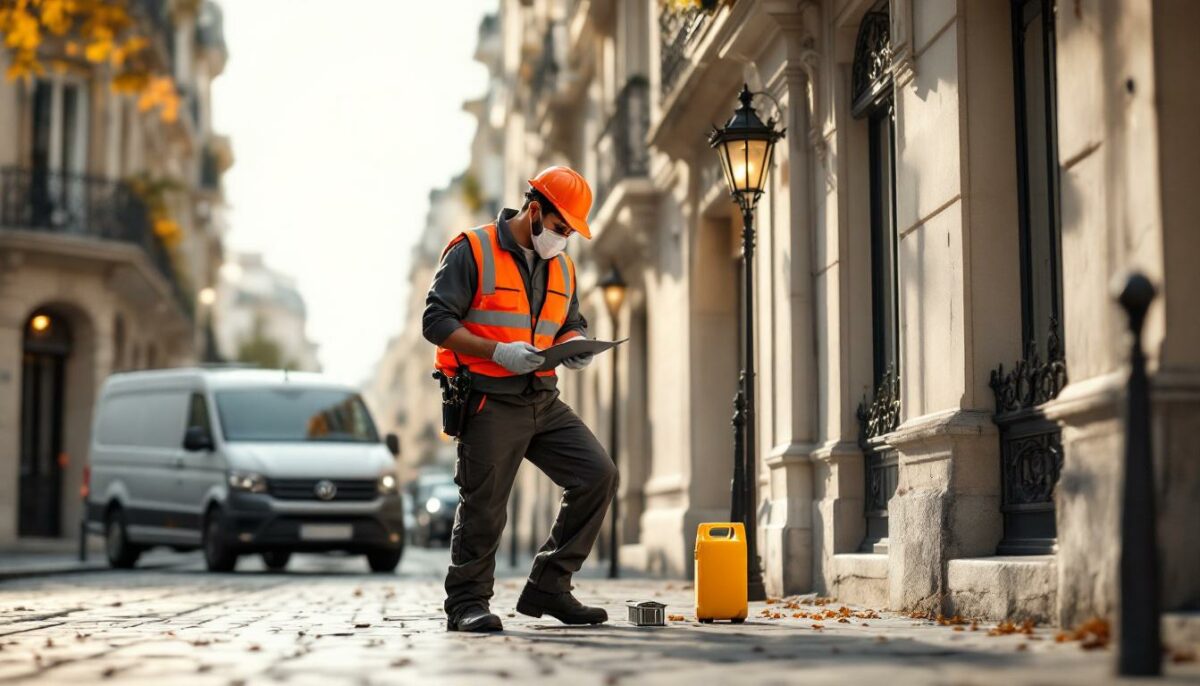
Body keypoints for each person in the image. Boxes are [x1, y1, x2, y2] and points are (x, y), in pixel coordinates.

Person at [422, 165, 618, 633]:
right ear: (534, 210)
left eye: (570, 230)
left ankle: (550, 585)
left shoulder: (563, 265)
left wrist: (575, 345)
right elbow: (435, 322)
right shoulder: (473, 250)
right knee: (485, 506)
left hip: (543, 400)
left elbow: (571, 319)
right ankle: (467, 603)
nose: (564, 237)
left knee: (597, 475)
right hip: (489, 399)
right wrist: (497, 351)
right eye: (559, 226)